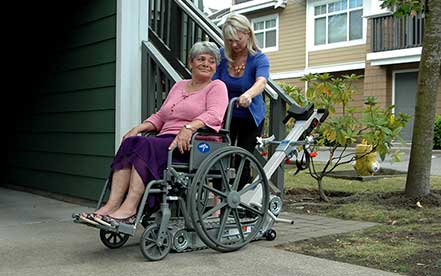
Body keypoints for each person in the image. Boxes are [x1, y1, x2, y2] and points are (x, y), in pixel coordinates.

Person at [79, 41, 228, 226]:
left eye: (211, 61)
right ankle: (111, 206)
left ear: (215, 66)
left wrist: (189, 128)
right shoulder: (179, 86)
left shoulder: (217, 87)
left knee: (145, 145)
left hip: (192, 145)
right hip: (164, 141)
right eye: (201, 59)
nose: (206, 63)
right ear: (191, 62)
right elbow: (162, 116)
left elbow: (214, 115)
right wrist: (139, 128)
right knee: (131, 142)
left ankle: (130, 209)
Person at [212, 14, 270, 188]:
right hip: (225, 115)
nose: (234, 45)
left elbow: (262, 81)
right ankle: (219, 199)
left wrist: (249, 95)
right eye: (229, 41)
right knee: (220, 156)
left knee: (242, 158)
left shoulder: (258, 58)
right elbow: (213, 82)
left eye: (238, 40)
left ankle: (239, 199)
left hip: (250, 116)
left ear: (248, 34)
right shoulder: (222, 56)